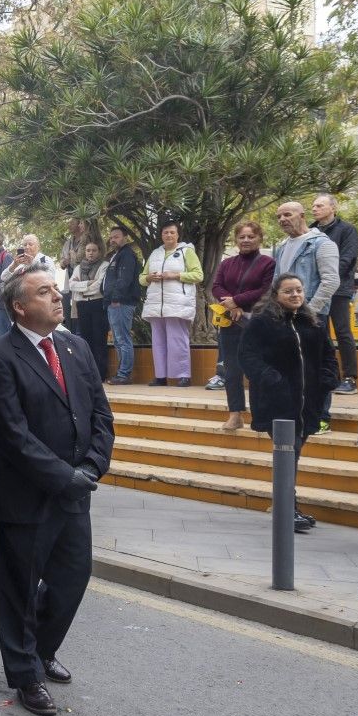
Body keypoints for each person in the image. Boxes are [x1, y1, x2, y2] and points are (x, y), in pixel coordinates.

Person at [0, 265, 114, 716]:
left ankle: (42, 648)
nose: (57, 297)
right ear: (19, 306)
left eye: (56, 289)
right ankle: (25, 674)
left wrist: (92, 466)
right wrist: (62, 476)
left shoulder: (76, 346)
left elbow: (100, 414)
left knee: (72, 576)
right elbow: (12, 435)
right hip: (25, 493)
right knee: (18, 588)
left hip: (75, 489)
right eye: (44, 292)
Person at [239, 273, 338, 534]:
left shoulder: (313, 322)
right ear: (276, 295)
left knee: (294, 454)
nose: (295, 295)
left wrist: (327, 379)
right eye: (288, 291)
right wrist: (272, 379)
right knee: (288, 453)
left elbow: (328, 354)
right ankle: (287, 509)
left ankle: (288, 506)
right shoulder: (262, 323)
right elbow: (248, 356)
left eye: (298, 290)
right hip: (278, 403)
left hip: (308, 403)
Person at [209, 222, 276, 431]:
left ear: (259, 238)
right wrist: (230, 304)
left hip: (257, 323)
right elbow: (216, 286)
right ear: (236, 240)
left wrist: (237, 301)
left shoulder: (268, 263)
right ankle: (235, 414)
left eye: (251, 236)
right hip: (231, 322)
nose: (246, 240)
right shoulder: (227, 264)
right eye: (242, 237)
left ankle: (260, 415)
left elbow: (266, 290)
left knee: (256, 369)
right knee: (231, 371)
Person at [140, 222, 204, 386]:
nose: (168, 235)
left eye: (172, 232)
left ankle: (183, 375)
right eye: (165, 232)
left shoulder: (186, 252)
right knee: (158, 341)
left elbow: (198, 275)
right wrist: (149, 278)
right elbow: (142, 277)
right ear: (161, 235)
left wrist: (175, 275)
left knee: (178, 340)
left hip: (178, 303)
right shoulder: (155, 253)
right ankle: (161, 376)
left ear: (178, 235)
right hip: (156, 305)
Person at [311, 194, 358, 396]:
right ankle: (326, 375)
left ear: (333, 208)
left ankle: (350, 378)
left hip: (339, 289)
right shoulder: (311, 230)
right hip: (315, 291)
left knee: (342, 331)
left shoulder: (347, 230)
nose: (314, 209)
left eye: (319, 205)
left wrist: (327, 276)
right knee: (319, 332)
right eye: (313, 206)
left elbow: (348, 259)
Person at [102, 227, 143, 384]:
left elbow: (124, 279)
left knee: (122, 338)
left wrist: (116, 298)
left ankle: (124, 374)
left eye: (117, 237)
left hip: (121, 302)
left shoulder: (127, 255)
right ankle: (121, 373)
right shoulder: (116, 255)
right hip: (113, 303)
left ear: (125, 237)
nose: (113, 240)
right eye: (111, 237)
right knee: (118, 340)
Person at [68, 242, 109, 373]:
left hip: (97, 304)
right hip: (82, 305)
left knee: (99, 339)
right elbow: (71, 285)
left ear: (99, 252)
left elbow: (99, 286)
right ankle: (89, 372)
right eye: (88, 250)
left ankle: (101, 372)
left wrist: (81, 288)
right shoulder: (79, 267)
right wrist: (88, 284)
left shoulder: (104, 265)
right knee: (86, 339)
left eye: (94, 250)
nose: (91, 253)